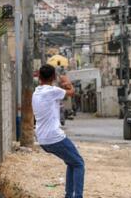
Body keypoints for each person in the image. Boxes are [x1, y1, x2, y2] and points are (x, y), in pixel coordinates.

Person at [32, 64, 85, 198]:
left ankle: (69, 195)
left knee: (71, 162)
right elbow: (71, 93)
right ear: (53, 77)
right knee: (79, 164)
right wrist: (68, 83)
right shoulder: (52, 91)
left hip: (42, 138)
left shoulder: (36, 92)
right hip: (54, 137)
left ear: (39, 77)